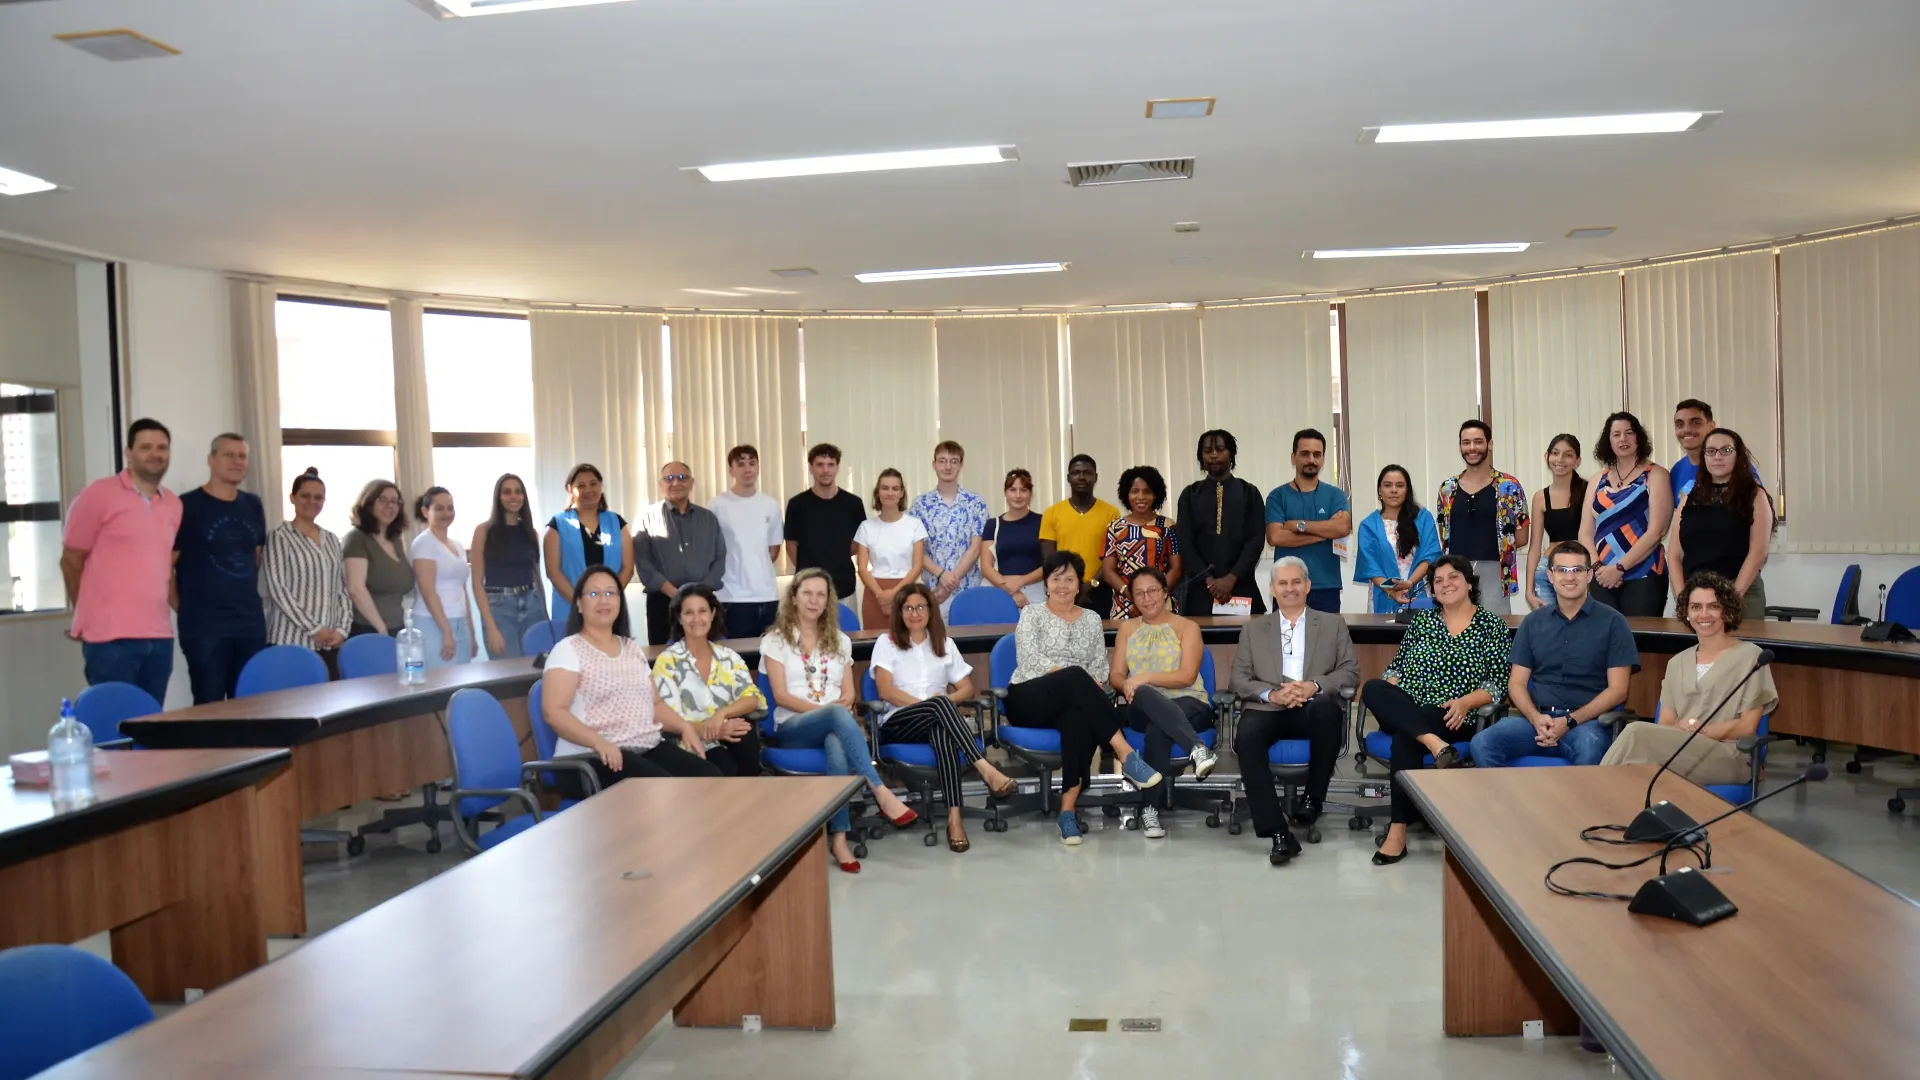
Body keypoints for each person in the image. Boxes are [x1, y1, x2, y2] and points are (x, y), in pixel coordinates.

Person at [760, 568, 919, 873]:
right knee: (834, 716)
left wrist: (841, 706)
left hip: (834, 724)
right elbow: (780, 696)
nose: (814, 600)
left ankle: (839, 838)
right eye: (807, 593)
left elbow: (849, 693)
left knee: (835, 741)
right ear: (793, 597)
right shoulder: (775, 640)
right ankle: (879, 790)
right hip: (793, 726)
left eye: (821, 595)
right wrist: (826, 712)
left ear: (828, 601)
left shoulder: (841, 641)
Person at [1002, 551, 1164, 847]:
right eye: (1055, 579)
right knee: (1076, 678)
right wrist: (1072, 678)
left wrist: (1080, 683)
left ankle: (1067, 812)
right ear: (1046, 584)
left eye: (1069, 579)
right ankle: (1126, 754)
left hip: (1075, 699)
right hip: (1028, 697)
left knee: (1077, 719)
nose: (1062, 585)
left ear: (1079, 584)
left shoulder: (1091, 619)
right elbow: (1029, 659)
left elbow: (1100, 668)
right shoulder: (1032, 614)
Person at [1361, 555, 1512, 865]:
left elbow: (1498, 685)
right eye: (1438, 581)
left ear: (1469, 583)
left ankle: (1398, 832)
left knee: (1407, 734)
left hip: (1454, 715)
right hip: (1409, 708)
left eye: (1453, 577)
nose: (1446, 584)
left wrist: (1465, 702)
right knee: (1374, 687)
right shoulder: (1422, 622)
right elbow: (1396, 667)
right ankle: (1433, 743)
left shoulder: (1492, 626)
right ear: (1432, 590)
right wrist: (1392, 682)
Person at [541, 565, 720, 795]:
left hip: (644, 747)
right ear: (579, 603)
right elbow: (554, 712)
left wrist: (684, 727)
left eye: (610, 593)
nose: (603, 600)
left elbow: (655, 705)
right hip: (589, 757)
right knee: (667, 792)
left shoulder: (631, 648)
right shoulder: (568, 649)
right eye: (594, 593)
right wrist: (598, 742)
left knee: (710, 777)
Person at [870, 583, 1021, 852]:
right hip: (899, 723)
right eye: (908, 608)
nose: (915, 613)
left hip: (937, 720)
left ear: (930, 611)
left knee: (942, 733)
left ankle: (954, 819)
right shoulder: (887, 642)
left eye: (920, 607)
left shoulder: (944, 644)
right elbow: (885, 691)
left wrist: (940, 705)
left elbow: (966, 688)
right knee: (940, 706)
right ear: (900, 613)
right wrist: (930, 705)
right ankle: (985, 769)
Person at [1231, 557, 1359, 865]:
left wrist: (1314, 686)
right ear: (1273, 589)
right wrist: (1272, 694)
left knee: (1328, 712)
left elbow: (1350, 672)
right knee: (1246, 736)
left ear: (1308, 586)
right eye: (1283, 583)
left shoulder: (1332, 624)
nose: (1290, 589)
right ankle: (1278, 833)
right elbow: (1238, 679)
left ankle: (1313, 799)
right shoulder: (1253, 629)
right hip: (1267, 707)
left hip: (1312, 706)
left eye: (1297, 582)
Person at [1469, 541, 1637, 768]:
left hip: (1586, 724)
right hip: (1536, 721)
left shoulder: (1613, 622)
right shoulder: (1532, 623)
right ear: (1550, 576)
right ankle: (1510, 794)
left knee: (1591, 748)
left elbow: (1618, 690)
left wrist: (1569, 721)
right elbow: (1516, 684)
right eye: (1562, 570)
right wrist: (1535, 718)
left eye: (1577, 570)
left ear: (1589, 575)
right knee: (1483, 743)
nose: (1570, 577)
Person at [1602, 572, 1778, 782]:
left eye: (1713, 606)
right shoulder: (1676, 663)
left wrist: (1703, 731)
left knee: (1635, 734)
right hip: (1680, 751)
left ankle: (1588, 791)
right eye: (1695, 607)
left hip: (1727, 755)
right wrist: (1680, 729)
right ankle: (1597, 793)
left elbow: (1747, 726)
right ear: (1686, 613)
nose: (1704, 615)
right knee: (1631, 769)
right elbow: (1665, 724)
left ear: (1726, 610)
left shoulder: (1751, 656)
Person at [61, 418, 182, 705]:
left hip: (159, 637)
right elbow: (70, 560)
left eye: (162, 448)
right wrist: (86, 616)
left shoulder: (173, 504)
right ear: (129, 453)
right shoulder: (98, 494)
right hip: (110, 640)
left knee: (151, 724)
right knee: (114, 725)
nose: (155, 454)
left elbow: (164, 564)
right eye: (146, 447)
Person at [1110, 568, 1222, 841]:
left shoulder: (1187, 627)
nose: (1147, 598)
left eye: (1152, 591)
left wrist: (1144, 678)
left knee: (1158, 727)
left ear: (1165, 592)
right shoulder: (1127, 629)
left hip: (1190, 704)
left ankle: (1149, 809)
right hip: (1141, 706)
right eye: (1139, 593)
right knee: (1146, 696)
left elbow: (1187, 676)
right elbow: (1116, 675)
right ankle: (1197, 748)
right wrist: (1127, 684)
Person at [172, 433, 267, 703]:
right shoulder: (186, 505)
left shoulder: (253, 504)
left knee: (250, 706)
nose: (237, 461)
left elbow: (256, 557)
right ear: (211, 460)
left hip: (249, 624)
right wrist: (184, 608)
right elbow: (166, 565)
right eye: (229, 455)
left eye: (242, 456)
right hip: (205, 628)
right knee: (209, 708)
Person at [650, 584, 763, 777]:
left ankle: (752, 792)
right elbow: (668, 720)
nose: (696, 619)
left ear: (712, 614)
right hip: (689, 739)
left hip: (725, 732)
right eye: (689, 613)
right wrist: (712, 730)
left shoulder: (728, 656)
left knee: (746, 736)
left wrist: (722, 715)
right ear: (679, 618)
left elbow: (752, 698)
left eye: (702, 611)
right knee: (725, 766)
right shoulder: (667, 661)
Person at [1670, 428, 1774, 621]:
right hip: (1695, 595)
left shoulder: (1755, 496)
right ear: (1704, 457)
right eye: (1711, 451)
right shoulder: (1688, 498)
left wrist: (1730, 599)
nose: (1717, 456)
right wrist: (1683, 599)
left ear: (1738, 455)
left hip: (1740, 593)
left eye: (1726, 450)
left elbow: (1758, 553)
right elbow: (1675, 555)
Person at [1579, 411, 1673, 617]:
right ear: (1608, 441)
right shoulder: (1597, 480)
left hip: (1645, 574)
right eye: (1616, 434)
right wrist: (1597, 568)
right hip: (1601, 575)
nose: (1623, 439)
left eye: (1629, 433)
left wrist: (1619, 568)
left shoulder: (1656, 474)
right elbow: (1585, 532)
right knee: (1604, 635)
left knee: (1640, 636)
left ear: (1639, 437)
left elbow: (1657, 531)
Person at [1434, 419, 1530, 612]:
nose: (1472, 448)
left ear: (1490, 444)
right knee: (1456, 627)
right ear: (1460, 447)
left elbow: (1522, 537)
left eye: (1478, 442)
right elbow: (1444, 535)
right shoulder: (1447, 488)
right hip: (1455, 575)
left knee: (1495, 627)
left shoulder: (1509, 486)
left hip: (1495, 574)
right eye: (1466, 442)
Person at [263, 469, 352, 670]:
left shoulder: (331, 539)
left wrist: (342, 629)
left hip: (329, 644)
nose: (312, 501)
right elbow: (278, 589)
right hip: (290, 642)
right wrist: (314, 629)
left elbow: (341, 589)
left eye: (318, 497)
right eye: (305, 496)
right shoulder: (279, 537)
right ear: (292, 498)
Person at [633, 461, 728, 646]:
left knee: (706, 653)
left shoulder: (708, 518)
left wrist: (700, 593)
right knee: (663, 655)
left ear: (691, 483)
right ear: (661, 484)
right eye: (669, 478)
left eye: (682, 478)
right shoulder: (646, 517)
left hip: (703, 602)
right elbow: (643, 562)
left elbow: (720, 557)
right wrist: (674, 593)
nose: (676, 483)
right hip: (662, 602)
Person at [1174, 429, 1267, 616]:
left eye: (1220, 449)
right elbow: (1185, 542)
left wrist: (1232, 578)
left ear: (1231, 453)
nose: (1214, 455)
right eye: (1207, 451)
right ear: (1201, 456)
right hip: (1201, 589)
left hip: (1241, 586)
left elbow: (1256, 539)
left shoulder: (1249, 493)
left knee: (1247, 635)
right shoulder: (1190, 495)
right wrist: (1209, 580)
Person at [1265, 428, 1351, 614]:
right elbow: (1276, 537)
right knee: (1285, 635)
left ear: (1323, 459)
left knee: (1327, 634)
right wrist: (1325, 533)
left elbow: (1343, 527)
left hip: (1326, 587)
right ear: (1293, 458)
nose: (1311, 460)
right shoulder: (1277, 496)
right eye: (1305, 454)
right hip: (1287, 587)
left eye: (1317, 454)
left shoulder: (1335, 495)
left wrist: (1298, 525)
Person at [709, 444, 784, 640]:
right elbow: (711, 549)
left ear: (758, 468)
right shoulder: (717, 505)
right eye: (740, 464)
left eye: (752, 463)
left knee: (767, 652)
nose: (747, 469)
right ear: (731, 470)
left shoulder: (770, 505)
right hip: (731, 595)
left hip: (766, 594)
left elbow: (773, 550)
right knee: (735, 654)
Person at [544, 463, 632, 624]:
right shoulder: (557, 524)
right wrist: (581, 604)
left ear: (601, 486)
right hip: (570, 609)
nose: (588, 490)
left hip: (609, 609)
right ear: (570, 489)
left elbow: (627, 568)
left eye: (593, 484)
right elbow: (553, 573)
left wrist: (609, 599)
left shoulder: (617, 522)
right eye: (581, 486)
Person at [469, 473, 545, 659]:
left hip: (532, 606)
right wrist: (490, 626)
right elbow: (477, 583)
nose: (513, 497)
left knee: (535, 668)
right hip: (500, 609)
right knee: (508, 670)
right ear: (498, 497)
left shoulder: (531, 532)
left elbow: (537, 577)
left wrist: (544, 614)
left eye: (518, 492)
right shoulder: (484, 531)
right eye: (507, 492)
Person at [910, 440, 989, 616]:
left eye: (954, 461)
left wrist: (950, 582)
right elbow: (916, 550)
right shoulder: (920, 505)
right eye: (942, 461)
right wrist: (941, 575)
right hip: (933, 593)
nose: (948, 466)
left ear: (961, 465)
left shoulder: (976, 502)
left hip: (969, 590)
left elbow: (976, 548)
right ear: (934, 465)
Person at [783, 443, 867, 603]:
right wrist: (808, 572)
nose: (825, 470)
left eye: (831, 464)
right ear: (811, 468)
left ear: (837, 468)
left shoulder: (853, 504)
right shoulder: (797, 505)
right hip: (808, 589)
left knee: (847, 621)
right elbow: (791, 545)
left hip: (844, 587)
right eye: (820, 465)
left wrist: (837, 556)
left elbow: (860, 542)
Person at [1038, 454, 1121, 614]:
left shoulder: (1111, 513)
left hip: (1099, 589)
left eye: (1087, 472)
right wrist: (1070, 585)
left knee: (1101, 631)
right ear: (1068, 478)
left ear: (1096, 477)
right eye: (1076, 472)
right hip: (1063, 590)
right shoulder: (1052, 513)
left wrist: (1090, 585)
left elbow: (1114, 557)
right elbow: (1050, 559)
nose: (1082, 477)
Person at [1354, 465, 1441, 614]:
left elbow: (1431, 555)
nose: (1394, 490)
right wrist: (1391, 591)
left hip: (1418, 592)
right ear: (1379, 491)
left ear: (1407, 490)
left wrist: (1410, 583)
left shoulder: (1423, 518)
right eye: (1388, 485)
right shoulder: (1368, 525)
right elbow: (1370, 566)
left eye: (1400, 485)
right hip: (1383, 594)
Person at [1100, 466, 1183, 619]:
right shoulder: (1115, 528)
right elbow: (1108, 572)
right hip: (1125, 606)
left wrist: (1155, 596)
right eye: (1134, 491)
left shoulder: (1167, 526)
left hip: (1162, 604)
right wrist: (1134, 596)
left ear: (1155, 495)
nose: (1141, 497)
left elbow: (1176, 568)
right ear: (1126, 494)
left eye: (1147, 492)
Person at [853, 468, 927, 629]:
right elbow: (862, 568)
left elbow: (917, 565)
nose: (890, 493)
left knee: (908, 639)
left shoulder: (915, 525)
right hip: (874, 592)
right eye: (885, 488)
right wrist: (880, 594)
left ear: (901, 493)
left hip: (907, 591)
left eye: (895, 488)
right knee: (875, 640)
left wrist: (894, 593)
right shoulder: (866, 527)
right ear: (878, 492)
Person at [1523, 434, 1589, 610]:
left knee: (1581, 623)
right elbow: (1534, 548)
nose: (1560, 459)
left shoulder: (1589, 491)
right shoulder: (1540, 497)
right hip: (1547, 571)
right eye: (1555, 453)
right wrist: (1529, 591)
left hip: (1579, 570)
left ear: (1577, 461)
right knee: (1549, 624)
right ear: (1547, 457)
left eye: (1568, 455)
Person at [410, 487, 473, 668]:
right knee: (439, 681)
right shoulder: (423, 543)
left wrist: (470, 630)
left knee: (464, 679)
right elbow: (428, 591)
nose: (446, 513)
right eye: (438, 508)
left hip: (459, 622)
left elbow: (462, 589)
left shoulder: (457, 546)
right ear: (425, 512)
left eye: (450, 508)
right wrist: (446, 631)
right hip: (432, 624)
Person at [344, 481, 412, 638]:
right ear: (368, 503)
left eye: (395, 501)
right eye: (382, 500)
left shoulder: (395, 541)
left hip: (397, 628)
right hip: (368, 630)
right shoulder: (356, 539)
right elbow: (356, 590)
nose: (390, 506)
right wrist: (381, 629)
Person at [980, 468, 1045, 607]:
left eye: (1023, 490)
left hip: (1035, 593)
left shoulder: (1043, 522)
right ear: (1005, 493)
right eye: (1012, 490)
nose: (1018, 495)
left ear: (1031, 493)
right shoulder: (993, 525)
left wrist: (1021, 581)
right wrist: (1011, 591)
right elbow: (986, 566)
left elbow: (1050, 564)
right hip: (1000, 590)